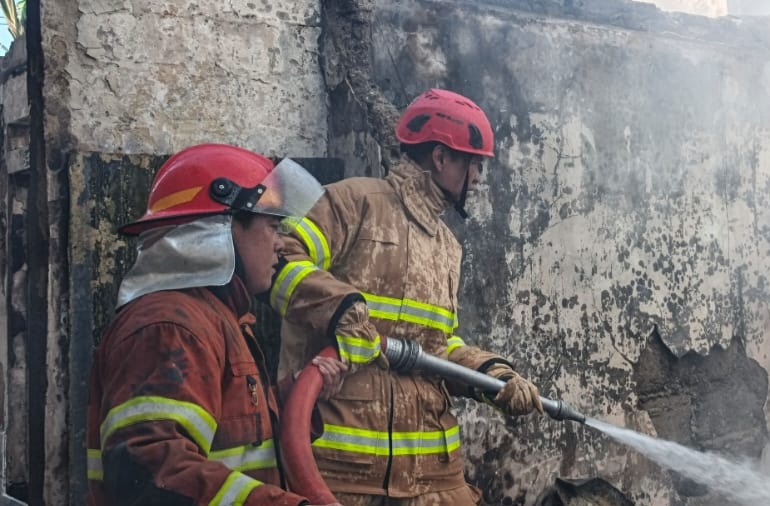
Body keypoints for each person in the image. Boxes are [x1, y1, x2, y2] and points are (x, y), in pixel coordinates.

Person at [270, 89, 545, 506]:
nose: (478, 178)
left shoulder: (447, 247)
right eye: (474, 164)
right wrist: (339, 308)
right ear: (440, 158)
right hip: (344, 473)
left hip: (430, 475)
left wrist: (493, 375)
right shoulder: (352, 201)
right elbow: (282, 260)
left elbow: (436, 346)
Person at [85, 143, 345, 506]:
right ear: (221, 227)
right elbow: (150, 473)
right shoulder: (170, 327)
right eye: (272, 226)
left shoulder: (214, 318)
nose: (280, 245)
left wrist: (292, 397)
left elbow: (231, 437)